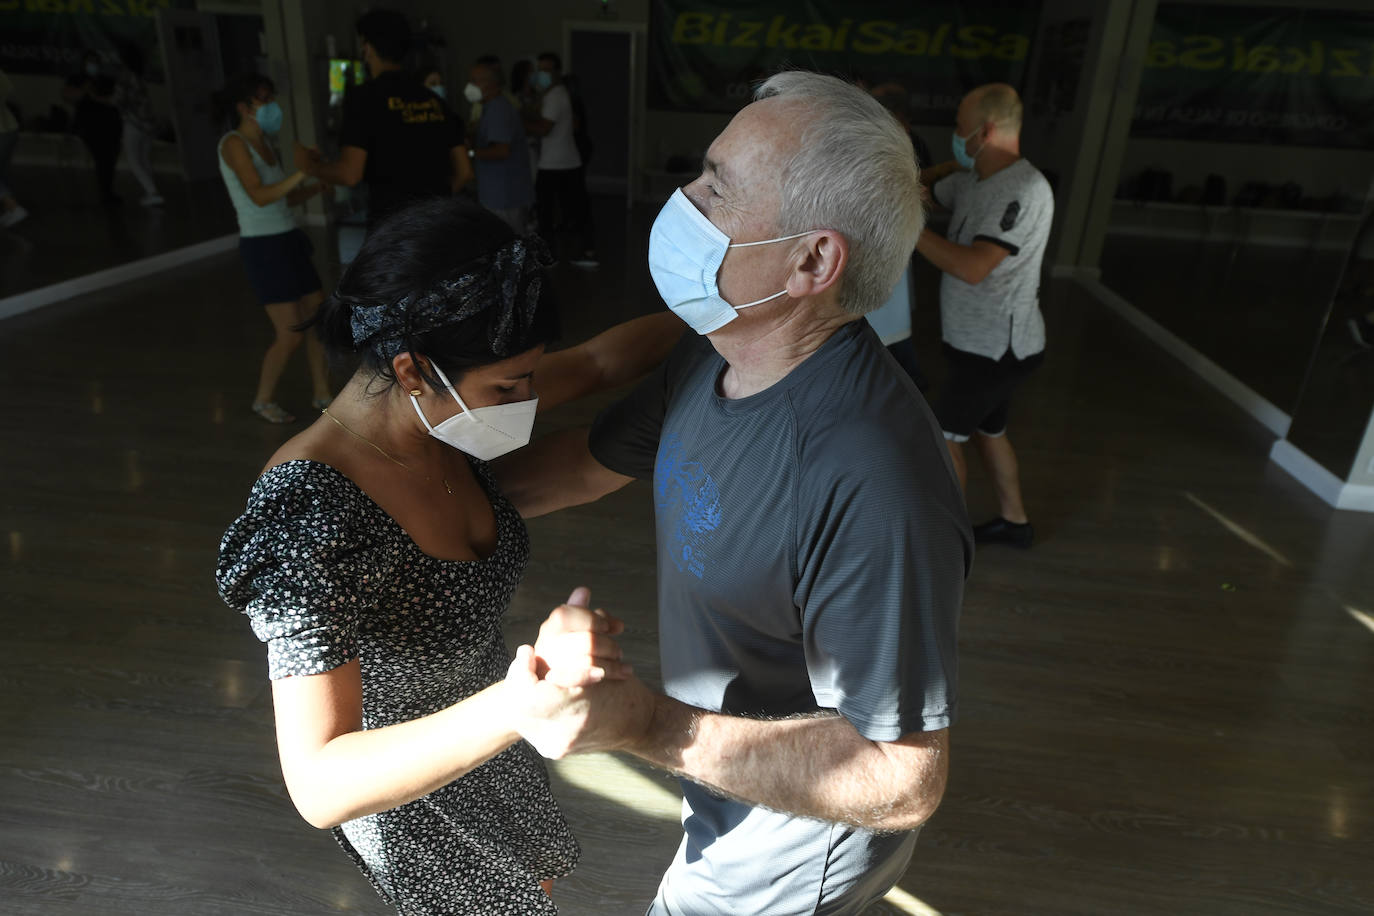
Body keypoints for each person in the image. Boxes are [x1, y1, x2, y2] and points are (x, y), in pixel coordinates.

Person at [496, 70, 970, 915]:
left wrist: (643, 724)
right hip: (722, 788)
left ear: (813, 260)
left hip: (786, 853)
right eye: (699, 173)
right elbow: (575, 469)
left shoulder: (872, 475)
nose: (684, 201)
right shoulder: (719, 350)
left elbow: (901, 778)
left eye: (717, 188)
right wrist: (385, 507)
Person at [216, 196, 683, 914]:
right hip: (414, 778)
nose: (527, 399)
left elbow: (594, 363)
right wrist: (522, 702)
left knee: (536, 887)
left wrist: (738, 324)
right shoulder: (309, 516)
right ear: (410, 370)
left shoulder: (446, 416)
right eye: (509, 385)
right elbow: (319, 784)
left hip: (494, 732)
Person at [914, 83, 1053, 548]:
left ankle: (946, 544)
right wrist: (942, 167)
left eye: (959, 128)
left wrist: (908, 226)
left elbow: (973, 267)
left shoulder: (1023, 190)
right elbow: (926, 191)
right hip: (975, 341)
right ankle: (1015, 524)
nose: (955, 134)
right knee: (989, 431)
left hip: (996, 348)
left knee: (943, 437)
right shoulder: (976, 179)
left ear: (986, 131)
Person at [213, 73, 332, 423]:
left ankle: (323, 394)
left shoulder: (265, 143)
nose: (271, 107)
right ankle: (263, 400)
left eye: (270, 98)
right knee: (290, 332)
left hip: (287, 238)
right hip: (263, 247)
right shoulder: (234, 143)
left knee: (317, 319)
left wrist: (311, 186)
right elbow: (259, 196)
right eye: (263, 100)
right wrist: (302, 171)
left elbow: (283, 196)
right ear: (244, 108)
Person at [295, 9, 472, 229]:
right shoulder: (434, 100)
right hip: (437, 225)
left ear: (367, 48)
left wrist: (312, 168)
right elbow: (464, 171)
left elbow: (350, 174)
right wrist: (434, 201)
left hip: (392, 231)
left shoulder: (364, 98)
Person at [527, 52, 597, 268]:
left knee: (554, 212)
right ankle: (577, 251)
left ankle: (573, 253)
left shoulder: (556, 96)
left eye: (547, 70)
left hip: (557, 163)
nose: (542, 74)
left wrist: (517, 122)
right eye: (540, 69)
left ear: (557, 72)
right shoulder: (551, 95)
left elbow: (544, 128)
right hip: (560, 162)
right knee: (568, 209)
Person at [466, 56, 534, 234]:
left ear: (491, 84)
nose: (469, 86)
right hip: (499, 194)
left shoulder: (498, 110)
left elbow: (501, 151)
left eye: (474, 81)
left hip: (505, 196)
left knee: (507, 245)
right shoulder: (490, 108)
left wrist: (470, 153)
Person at [63, 51, 122, 204]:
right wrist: (84, 90)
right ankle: (104, 192)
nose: (92, 66)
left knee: (109, 159)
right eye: (90, 62)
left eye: (95, 62)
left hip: (109, 125)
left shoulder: (106, 80)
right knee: (101, 157)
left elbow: (115, 100)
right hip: (88, 125)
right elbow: (68, 97)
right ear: (84, 64)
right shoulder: (76, 79)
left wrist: (96, 96)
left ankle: (107, 191)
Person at [113, 42, 162, 207]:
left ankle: (152, 192)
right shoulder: (139, 75)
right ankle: (151, 191)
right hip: (148, 123)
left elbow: (119, 101)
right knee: (144, 159)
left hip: (134, 123)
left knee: (134, 160)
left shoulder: (125, 76)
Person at [0, 67, 26, 228]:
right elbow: (7, 92)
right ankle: (8, 211)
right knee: (2, 172)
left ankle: (12, 207)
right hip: (9, 127)